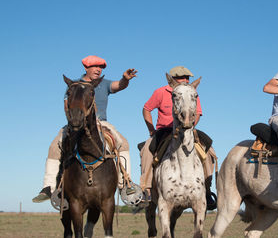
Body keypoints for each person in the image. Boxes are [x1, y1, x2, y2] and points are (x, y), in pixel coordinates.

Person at [32, 55, 138, 202]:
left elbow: (119, 85)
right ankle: (48, 188)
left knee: (123, 143)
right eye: (95, 66)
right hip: (76, 122)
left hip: (100, 123)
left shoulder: (104, 83)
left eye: (101, 67)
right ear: (86, 68)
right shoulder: (74, 85)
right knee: (53, 146)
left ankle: (125, 184)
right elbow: (66, 106)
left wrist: (125, 79)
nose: (98, 70)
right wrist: (73, 121)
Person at [140, 66, 217, 209]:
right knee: (146, 149)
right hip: (165, 130)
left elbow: (198, 113)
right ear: (173, 80)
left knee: (209, 151)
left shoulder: (192, 92)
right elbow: (146, 109)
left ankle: (207, 190)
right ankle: (146, 189)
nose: (186, 80)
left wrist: (190, 125)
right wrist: (151, 129)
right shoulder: (160, 92)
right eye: (182, 77)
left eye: (188, 78)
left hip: (187, 129)